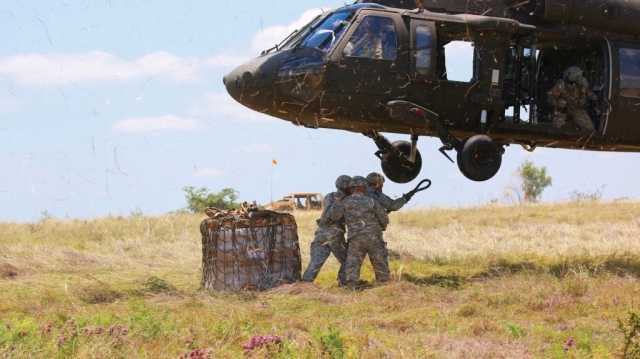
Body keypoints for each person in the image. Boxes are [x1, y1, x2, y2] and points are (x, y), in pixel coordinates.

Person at [328, 176, 390, 289]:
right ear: (364, 187)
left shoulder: (346, 202)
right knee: (380, 263)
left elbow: (334, 216)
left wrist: (337, 202)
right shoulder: (372, 201)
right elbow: (384, 218)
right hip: (374, 238)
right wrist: (382, 227)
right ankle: (384, 287)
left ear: (352, 188)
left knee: (353, 265)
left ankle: (352, 287)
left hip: (356, 239)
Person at [301, 175, 352, 286]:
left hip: (321, 232)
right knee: (348, 260)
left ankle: (304, 286)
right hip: (335, 234)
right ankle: (343, 284)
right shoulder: (348, 199)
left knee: (315, 263)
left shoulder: (328, 196)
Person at [364, 172, 413, 281]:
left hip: (355, 233)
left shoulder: (359, 194)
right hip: (373, 234)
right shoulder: (377, 195)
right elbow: (393, 205)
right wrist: (405, 199)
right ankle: (383, 282)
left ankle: (348, 284)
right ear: (377, 184)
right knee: (379, 258)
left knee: (353, 262)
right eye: (381, 185)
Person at [547, 66, 598, 131]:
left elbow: (588, 92)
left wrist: (595, 99)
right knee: (556, 128)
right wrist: (558, 105)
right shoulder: (561, 85)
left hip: (577, 109)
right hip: (563, 110)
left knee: (589, 129)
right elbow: (550, 97)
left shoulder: (582, 85)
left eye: (570, 82)